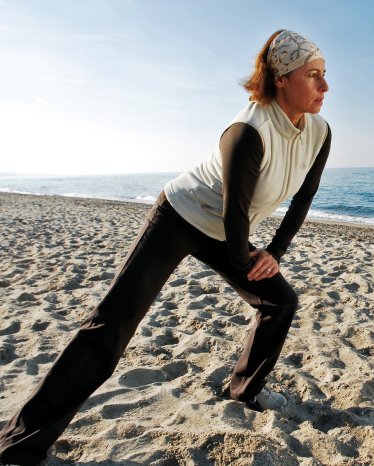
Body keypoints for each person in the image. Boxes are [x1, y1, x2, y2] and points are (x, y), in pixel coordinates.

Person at [0, 29, 331, 466]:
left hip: (229, 227)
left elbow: (303, 197)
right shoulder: (247, 131)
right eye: (313, 75)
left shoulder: (319, 132)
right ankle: (18, 444)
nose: (325, 87)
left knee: (280, 301)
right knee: (112, 325)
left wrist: (274, 253)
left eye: (325, 74)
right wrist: (244, 260)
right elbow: (235, 213)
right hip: (179, 217)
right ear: (282, 78)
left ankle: (241, 391)